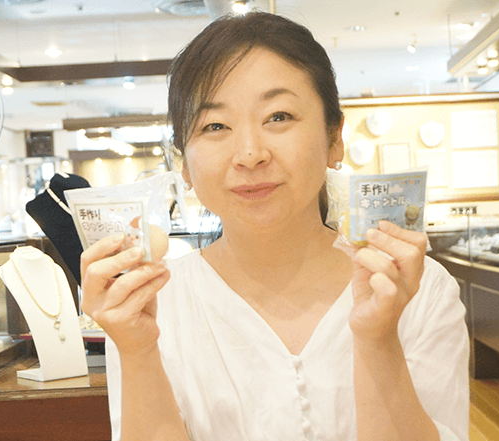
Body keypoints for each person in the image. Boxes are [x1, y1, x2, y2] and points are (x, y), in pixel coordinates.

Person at [80, 11, 469, 441]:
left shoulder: (416, 290)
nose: (250, 154)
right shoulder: (151, 304)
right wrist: (137, 350)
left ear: (334, 138)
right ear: (184, 163)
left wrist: (378, 341)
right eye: (214, 126)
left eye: (278, 116)